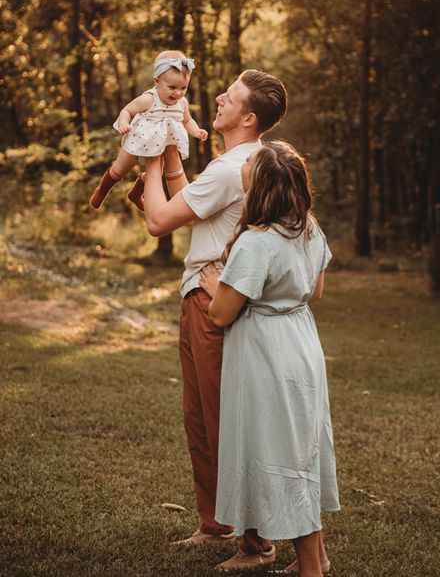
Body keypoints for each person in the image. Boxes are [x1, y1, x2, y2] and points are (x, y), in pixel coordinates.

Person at [143, 70, 288, 562]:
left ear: (249, 118)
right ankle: (215, 522)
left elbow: (159, 221)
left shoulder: (234, 168)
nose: (220, 97)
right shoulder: (236, 163)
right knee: (201, 417)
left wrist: (144, 157)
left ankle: (256, 541)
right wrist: (166, 146)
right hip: (202, 294)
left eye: (232, 96)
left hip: (216, 301)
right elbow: (192, 200)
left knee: (224, 419)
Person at [199, 141, 340, 576]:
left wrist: (211, 285)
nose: (243, 166)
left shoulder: (256, 243)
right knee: (303, 447)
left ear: (259, 185)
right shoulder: (309, 228)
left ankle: (311, 570)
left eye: (249, 164)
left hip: (264, 351)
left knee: (279, 451)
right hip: (301, 342)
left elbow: (222, 313)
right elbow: (314, 292)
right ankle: (314, 557)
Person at [90, 49, 207, 211]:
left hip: (162, 143)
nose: (178, 93)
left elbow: (187, 120)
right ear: (157, 81)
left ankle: (136, 194)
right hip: (138, 139)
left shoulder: (182, 103)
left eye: (183, 87)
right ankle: (102, 190)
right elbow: (127, 110)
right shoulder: (149, 99)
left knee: (154, 175)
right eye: (172, 87)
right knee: (119, 170)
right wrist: (124, 123)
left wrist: (197, 131)